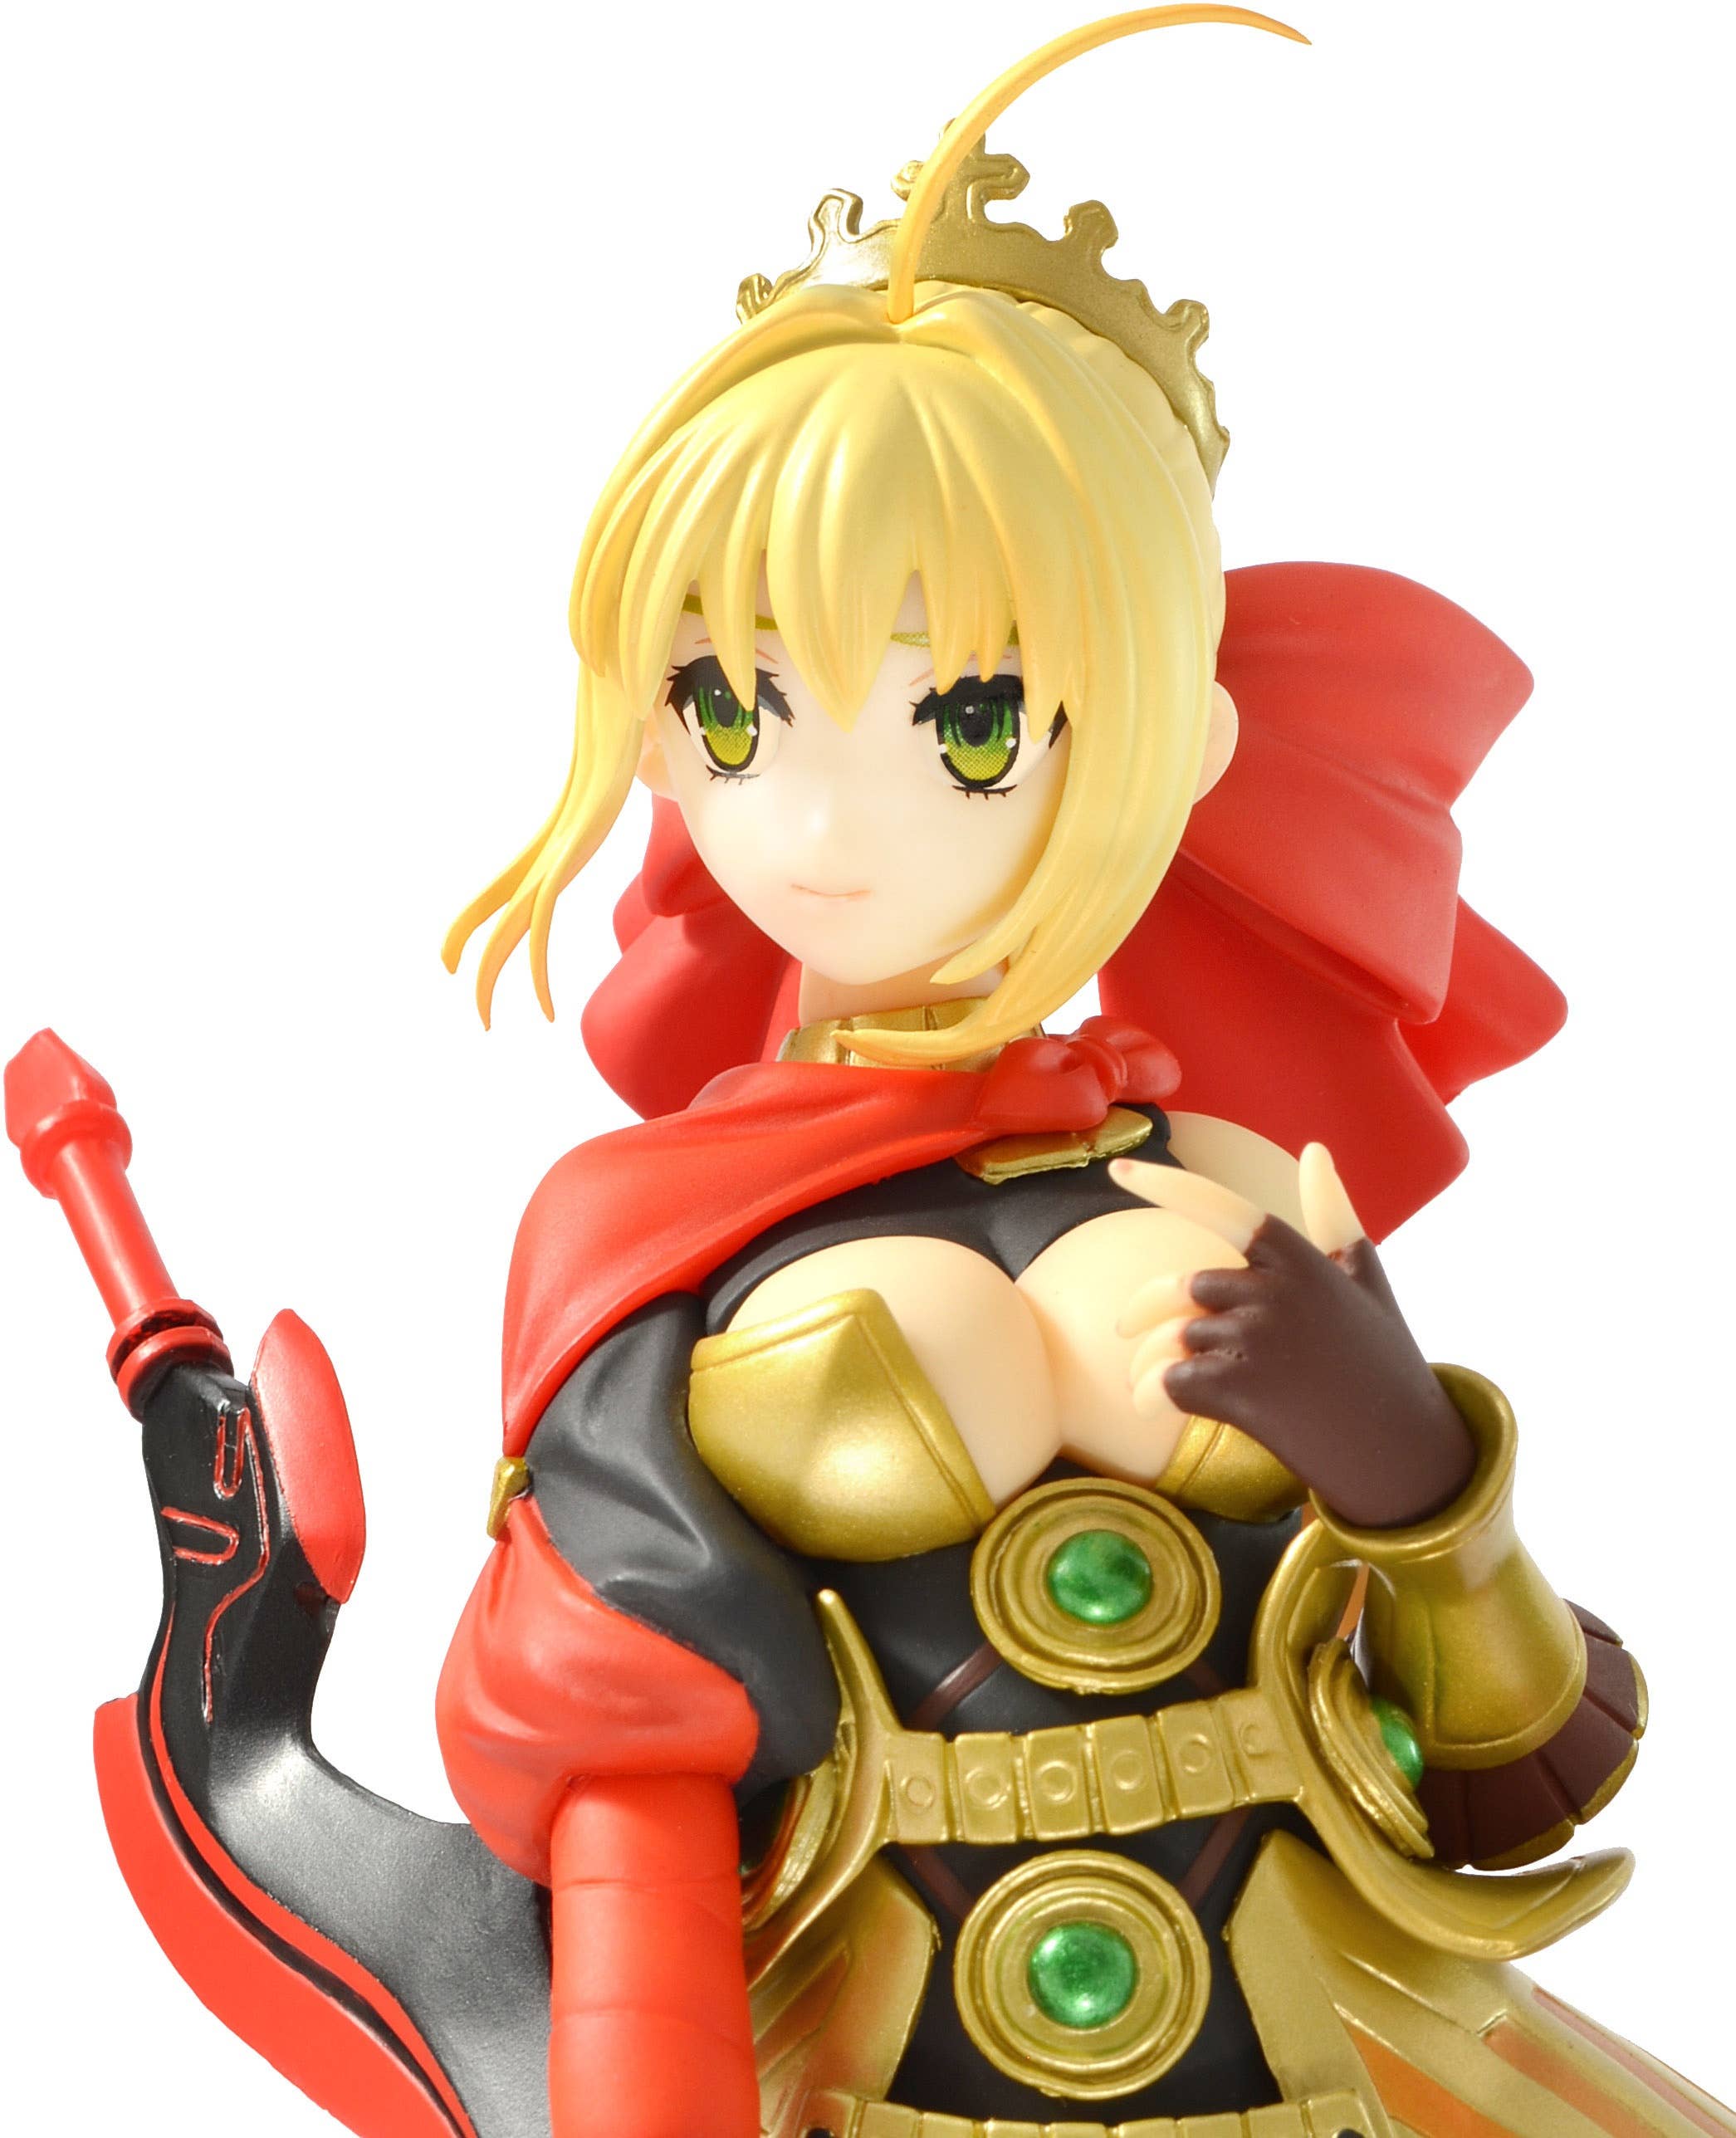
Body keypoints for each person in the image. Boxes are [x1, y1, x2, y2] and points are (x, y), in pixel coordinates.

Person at [429, 12, 1729, 2138]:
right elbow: (604, 1757)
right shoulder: (638, 1232)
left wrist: (1409, 1472)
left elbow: (1510, 1770)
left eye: (961, 721)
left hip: (1332, 2051)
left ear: (1166, 736)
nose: (819, 822)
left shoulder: (1226, 1169)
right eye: (732, 708)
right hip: (875, 2065)